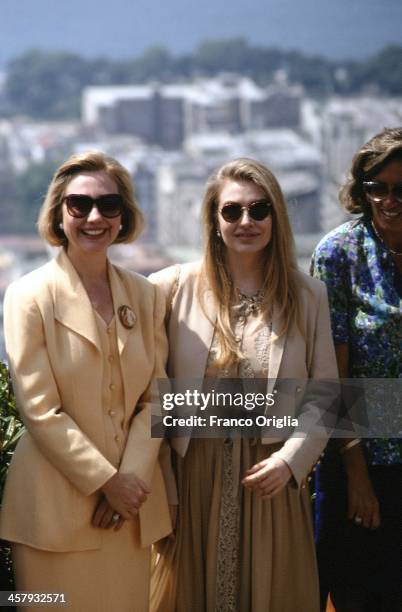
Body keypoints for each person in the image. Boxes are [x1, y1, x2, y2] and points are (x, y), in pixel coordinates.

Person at [149, 158, 338, 612]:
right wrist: (164, 495)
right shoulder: (170, 288)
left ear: (277, 217)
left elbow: (327, 395)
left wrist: (291, 462)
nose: (246, 222)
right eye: (232, 211)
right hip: (192, 481)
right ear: (214, 221)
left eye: (259, 209)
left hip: (271, 483)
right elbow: (149, 391)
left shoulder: (309, 295)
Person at [0, 151, 171, 611]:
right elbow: (39, 410)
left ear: (125, 215)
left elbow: (157, 397)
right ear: (58, 213)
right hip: (53, 514)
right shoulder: (28, 296)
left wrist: (129, 483)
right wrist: (107, 481)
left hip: (129, 516)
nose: (95, 217)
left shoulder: (146, 294)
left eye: (108, 205)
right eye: (79, 205)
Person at [311, 127, 402, 611]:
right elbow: (332, 366)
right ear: (361, 190)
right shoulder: (339, 253)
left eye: (401, 189)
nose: (389, 200)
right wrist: (356, 474)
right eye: (377, 188)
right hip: (361, 463)